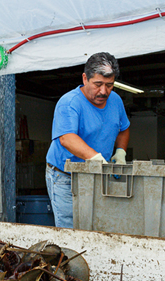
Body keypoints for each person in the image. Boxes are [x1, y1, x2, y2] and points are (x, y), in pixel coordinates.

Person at [45, 52, 131, 228]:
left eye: (109, 85)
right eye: (98, 84)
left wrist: (120, 152)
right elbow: (67, 139)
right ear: (85, 79)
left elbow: (124, 128)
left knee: (97, 225)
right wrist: (97, 159)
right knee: (71, 228)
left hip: (97, 174)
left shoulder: (116, 101)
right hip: (66, 177)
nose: (103, 91)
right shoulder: (69, 103)